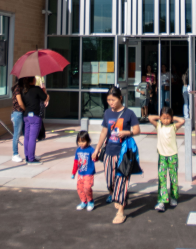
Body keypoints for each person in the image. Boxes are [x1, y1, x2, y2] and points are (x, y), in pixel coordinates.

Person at [93, 86, 141, 225]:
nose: (110, 103)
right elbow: (103, 132)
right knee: (110, 181)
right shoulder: (107, 113)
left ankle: (120, 211)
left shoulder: (129, 113)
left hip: (123, 154)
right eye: (108, 100)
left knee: (121, 181)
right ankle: (115, 195)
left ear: (120, 98)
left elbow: (137, 130)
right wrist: (97, 149)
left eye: (113, 100)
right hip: (108, 152)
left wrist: (128, 133)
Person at [148, 106, 184, 212]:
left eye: (168, 118)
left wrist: (173, 118)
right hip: (162, 155)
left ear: (171, 118)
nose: (166, 120)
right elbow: (150, 118)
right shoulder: (159, 126)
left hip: (173, 155)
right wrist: (160, 117)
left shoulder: (173, 127)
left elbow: (182, 120)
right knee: (162, 178)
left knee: (173, 177)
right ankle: (162, 201)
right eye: (164, 118)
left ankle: (174, 197)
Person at [20, 77, 47, 164]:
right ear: (33, 80)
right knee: (32, 137)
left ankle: (27, 156)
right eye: (34, 79)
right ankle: (31, 158)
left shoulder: (24, 90)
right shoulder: (36, 89)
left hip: (26, 115)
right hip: (35, 116)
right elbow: (44, 98)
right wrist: (46, 93)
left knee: (27, 136)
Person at [71, 130, 95, 211]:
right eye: (79, 141)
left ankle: (90, 201)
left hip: (89, 172)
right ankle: (83, 201)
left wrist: (96, 156)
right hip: (80, 173)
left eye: (83, 141)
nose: (81, 143)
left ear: (88, 141)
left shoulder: (91, 149)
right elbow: (76, 162)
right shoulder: (78, 150)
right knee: (80, 188)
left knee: (87, 187)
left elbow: (95, 159)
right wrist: (73, 172)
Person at [10, 77, 26, 162]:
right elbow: (20, 103)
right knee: (16, 134)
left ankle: (29, 153)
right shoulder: (17, 89)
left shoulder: (21, 88)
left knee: (26, 133)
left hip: (21, 113)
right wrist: (25, 109)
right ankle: (15, 154)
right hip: (18, 113)